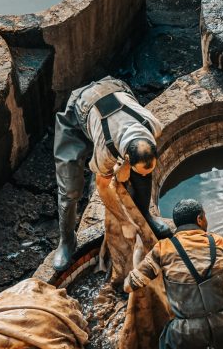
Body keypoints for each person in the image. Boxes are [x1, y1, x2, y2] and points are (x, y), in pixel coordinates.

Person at [124, 198, 223, 349]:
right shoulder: (218, 242)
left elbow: (130, 284)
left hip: (187, 333)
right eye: (205, 217)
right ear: (200, 219)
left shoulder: (164, 249)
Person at [52, 76, 170, 271]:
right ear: (126, 158)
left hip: (116, 88)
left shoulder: (152, 125)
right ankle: (67, 240)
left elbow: (141, 166)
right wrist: (124, 219)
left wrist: (132, 172)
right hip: (79, 109)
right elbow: (103, 184)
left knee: (142, 174)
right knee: (70, 189)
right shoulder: (105, 152)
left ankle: (146, 215)